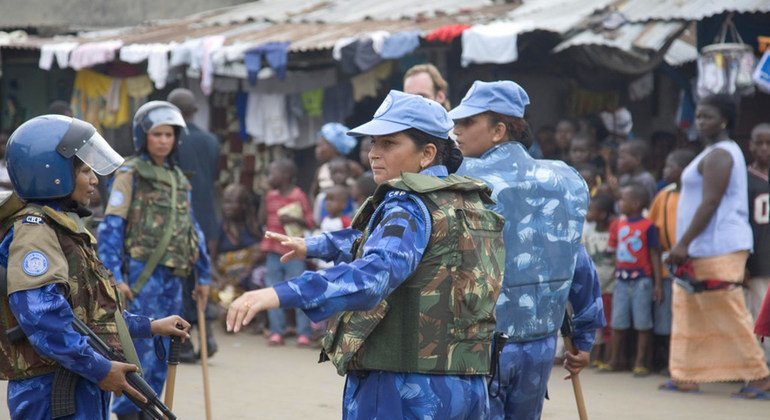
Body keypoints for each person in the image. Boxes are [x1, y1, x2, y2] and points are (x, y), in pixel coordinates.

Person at [227, 90, 504, 419]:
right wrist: (314, 245)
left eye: (389, 144)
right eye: (373, 143)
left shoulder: (408, 203)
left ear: (427, 153)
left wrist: (281, 292)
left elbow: (375, 274)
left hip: (405, 386)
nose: (373, 154)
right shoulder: (467, 201)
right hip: (468, 384)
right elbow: (386, 242)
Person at [1, 115, 190, 419]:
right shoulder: (34, 232)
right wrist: (100, 368)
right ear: (54, 172)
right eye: (85, 170)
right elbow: (43, 317)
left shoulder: (63, 229)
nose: (94, 180)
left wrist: (150, 326)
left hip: (79, 381)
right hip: (51, 394)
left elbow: (91, 316)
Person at [449, 80, 604, 419]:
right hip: (541, 343)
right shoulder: (564, 178)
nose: (456, 130)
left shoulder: (460, 178)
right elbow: (577, 261)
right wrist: (584, 336)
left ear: (498, 130)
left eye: (467, 122)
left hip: (482, 345)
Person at [97, 101, 212, 418]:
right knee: (137, 352)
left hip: (174, 280)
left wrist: (203, 277)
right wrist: (115, 277)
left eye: (169, 134)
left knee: (165, 349)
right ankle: (128, 412)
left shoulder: (178, 178)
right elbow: (112, 227)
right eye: (157, 134)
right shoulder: (129, 173)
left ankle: (152, 409)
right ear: (143, 136)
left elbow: (193, 229)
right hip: (139, 278)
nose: (163, 140)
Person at [663, 94, 770, 398]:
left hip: (718, 244)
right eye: (698, 116)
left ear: (723, 120)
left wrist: (683, 243)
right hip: (703, 246)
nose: (700, 122)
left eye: (707, 116)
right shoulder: (711, 152)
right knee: (687, 306)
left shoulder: (722, 154)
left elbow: (710, 201)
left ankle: (759, 374)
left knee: (727, 306)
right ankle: (685, 374)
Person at [167, 87, 221, 362]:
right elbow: (213, 177)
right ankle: (207, 336)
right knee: (202, 278)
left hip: (179, 221)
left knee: (181, 281)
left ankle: (185, 344)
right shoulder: (210, 140)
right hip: (207, 217)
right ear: (194, 111)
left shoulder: (171, 142)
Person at [604, 183, 663, 377]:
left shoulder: (648, 226)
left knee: (642, 323)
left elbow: (654, 255)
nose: (620, 203)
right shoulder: (618, 224)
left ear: (636, 203)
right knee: (618, 322)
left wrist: (657, 283)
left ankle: (640, 363)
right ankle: (615, 360)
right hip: (621, 279)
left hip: (642, 280)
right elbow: (613, 252)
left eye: (624, 199)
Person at [647, 148, 696, 371]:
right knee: (666, 318)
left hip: (692, 267)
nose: (665, 170)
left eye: (671, 166)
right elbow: (654, 240)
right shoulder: (664, 195)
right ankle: (669, 362)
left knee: (690, 317)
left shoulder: (697, 195)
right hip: (668, 268)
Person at [257, 158, 315, 346]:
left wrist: (294, 219)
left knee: (299, 289)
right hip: (272, 250)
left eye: (273, 173)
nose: (269, 177)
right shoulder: (270, 196)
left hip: (293, 251)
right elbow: (262, 219)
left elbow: (310, 222)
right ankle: (276, 331)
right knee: (273, 290)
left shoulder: (298, 195)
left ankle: (303, 332)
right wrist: (263, 197)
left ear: (286, 176)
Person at [582, 193, 616, 369]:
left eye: (591, 210)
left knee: (609, 321)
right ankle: (595, 356)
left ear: (602, 214)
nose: (588, 212)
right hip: (595, 284)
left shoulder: (613, 229)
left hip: (610, 285)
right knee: (595, 321)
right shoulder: (588, 231)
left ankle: (609, 358)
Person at [746, 122, 770, 362]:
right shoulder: (745, 178)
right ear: (750, 146)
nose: (764, 148)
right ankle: (760, 367)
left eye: (769, 143)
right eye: (760, 143)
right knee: (758, 315)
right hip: (759, 259)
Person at [311, 122, 361, 199]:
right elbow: (313, 194)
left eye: (320, 145)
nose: (317, 150)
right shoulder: (322, 170)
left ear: (334, 147)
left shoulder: (352, 167)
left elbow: (364, 190)